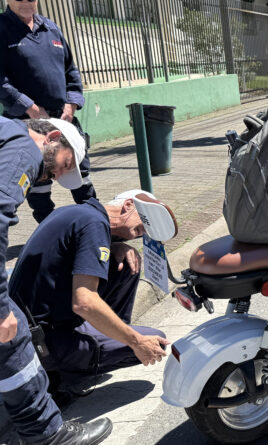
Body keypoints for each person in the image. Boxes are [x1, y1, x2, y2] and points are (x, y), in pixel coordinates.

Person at [0, 116, 111, 444]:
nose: (58, 174)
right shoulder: (25, 150)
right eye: (65, 164)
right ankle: (47, 436)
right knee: (12, 335)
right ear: (52, 137)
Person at [9, 189, 174, 401]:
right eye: (140, 228)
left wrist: (114, 246)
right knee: (154, 342)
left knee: (124, 264)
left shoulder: (80, 213)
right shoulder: (96, 226)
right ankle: (58, 374)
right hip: (43, 341)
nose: (140, 235)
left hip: (29, 326)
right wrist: (136, 342)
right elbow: (84, 303)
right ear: (128, 206)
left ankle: (103, 338)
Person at [0, 0, 97, 224]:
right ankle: (50, 231)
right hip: (28, 123)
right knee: (40, 184)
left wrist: (70, 105)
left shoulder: (51, 28)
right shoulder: (3, 28)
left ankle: (96, 224)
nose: (25, 2)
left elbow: (71, 70)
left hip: (64, 119)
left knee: (80, 173)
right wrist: (31, 108)